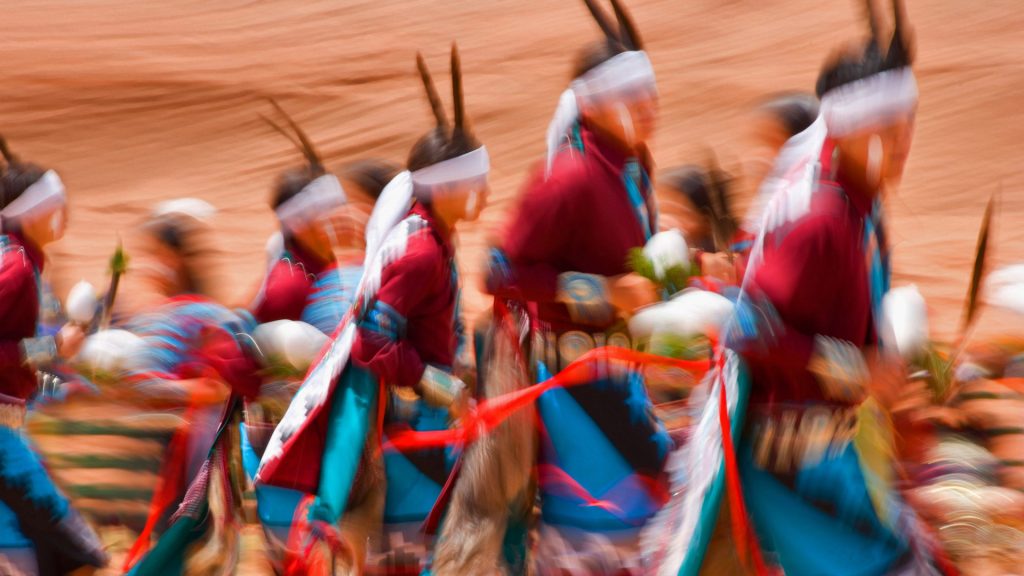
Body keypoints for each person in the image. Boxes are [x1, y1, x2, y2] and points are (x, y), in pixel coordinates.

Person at [721, 1, 949, 572]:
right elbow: (743, 326)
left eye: (909, 124)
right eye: (889, 127)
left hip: (837, 456)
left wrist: (894, 387)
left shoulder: (860, 208)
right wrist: (859, 368)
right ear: (851, 128)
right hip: (793, 468)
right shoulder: (823, 216)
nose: (904, 141)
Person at [256, 44, 489, 574]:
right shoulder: (422, 249)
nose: (486, 193)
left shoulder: (435, 240)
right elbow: (371, 341)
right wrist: (439, 385)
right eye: (478, 182)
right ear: (449, 186)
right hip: (404, 414)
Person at [485, 0, 673, 571]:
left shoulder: (633, 169)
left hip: (624, 376)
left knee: (644, 517)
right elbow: (498, 272)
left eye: (651, 96)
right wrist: (602, 293)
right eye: (633, 98)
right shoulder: (567, 177)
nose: (648, 109)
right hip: (569, 384)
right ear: (592, 104)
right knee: (597, 530)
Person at [0, 137, 107, 575]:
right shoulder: (17, 267)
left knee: (28, 543)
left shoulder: (19, 259)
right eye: (56, 205)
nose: (64, 215)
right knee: (72, 544)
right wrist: (56, 347)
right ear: (35, 210)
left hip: (10, 420)